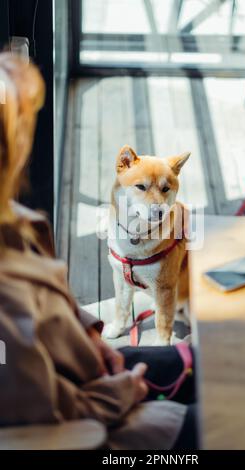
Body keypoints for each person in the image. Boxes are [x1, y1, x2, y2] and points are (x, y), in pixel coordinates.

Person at [0, 53, 198, 450]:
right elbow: (41, 404)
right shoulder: (8, 291)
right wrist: (121, 389)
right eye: (23, 129)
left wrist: (91, 337)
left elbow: (53, 306)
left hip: (92, 369)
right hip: (92, 422)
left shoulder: (17, 220)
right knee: (227, 417)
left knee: (209, 366)